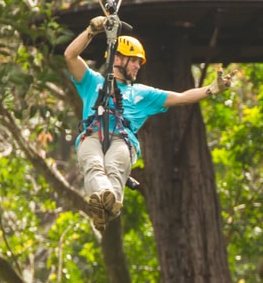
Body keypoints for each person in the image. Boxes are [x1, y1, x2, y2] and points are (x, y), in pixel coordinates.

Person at [65, 15, 238, 229]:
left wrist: (211, 90)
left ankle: (108, 203)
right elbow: (70, 56)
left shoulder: (142, 93)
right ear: (117, 59)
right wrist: (91, 30)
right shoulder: (92, 82)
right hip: (91, 135)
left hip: (122, 140)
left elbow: (182, 97)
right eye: (134, 60)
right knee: (93, 164)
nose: (138, 66)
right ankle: (103, 201)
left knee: (113, 168)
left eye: (139, 62)